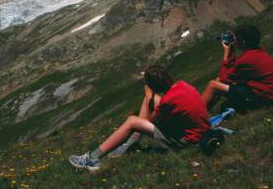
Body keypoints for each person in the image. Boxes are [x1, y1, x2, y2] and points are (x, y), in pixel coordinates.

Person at [68, 66, 210, 171]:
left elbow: (150, 121)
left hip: (188, 140)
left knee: (132, 121)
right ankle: (129, 143)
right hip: (201, 130)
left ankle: (91, 159)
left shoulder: (168, 100)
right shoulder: (182, 85)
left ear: (153, 86)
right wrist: (149, 97)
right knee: (146, 101)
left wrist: (149, 94)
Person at [202, 25, 273, 111]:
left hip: (266, 98)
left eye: (237, 39)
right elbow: (231, 72)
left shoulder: (246, 58)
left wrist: (226, 54)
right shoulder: (257, 53)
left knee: (213, 85)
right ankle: (202, 112)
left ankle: (196, 114)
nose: (235, 41)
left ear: (243, 42)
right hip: (272, 95)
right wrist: (232, 50)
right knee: (218, 81)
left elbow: (224, 78)